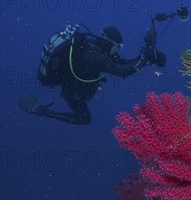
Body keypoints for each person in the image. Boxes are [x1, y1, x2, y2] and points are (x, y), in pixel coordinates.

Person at [19, 23, 166, 125]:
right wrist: (145, 61)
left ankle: (43, 111)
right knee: (84, 119)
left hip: (79, 86)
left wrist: (146, 56)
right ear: (109, 43)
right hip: (72, 91)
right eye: (117, 47)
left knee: (84, 119)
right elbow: (122, 72)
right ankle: (43, 112)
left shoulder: (99, 48)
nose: (117, 51)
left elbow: (123, 63)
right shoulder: (93, 55)